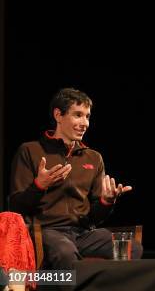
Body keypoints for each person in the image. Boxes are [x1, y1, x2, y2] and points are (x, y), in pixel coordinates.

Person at [9, 88, 141, 269]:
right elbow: (15, 206)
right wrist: (39, 186)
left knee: (131, 248)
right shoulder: (31, 151)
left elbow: (95, 217)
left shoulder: (93, 158)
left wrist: (105, 201)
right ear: (58, 115)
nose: (84, 123)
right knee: (65, 252)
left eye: (87, 116)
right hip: (47, 232)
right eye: (78, 115)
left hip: (83, 234)